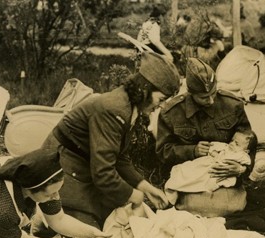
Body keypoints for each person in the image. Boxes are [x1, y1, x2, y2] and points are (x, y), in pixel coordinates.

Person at [42, 51, 181, 228]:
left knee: (115, 221)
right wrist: (135, 195)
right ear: (145, 89)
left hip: (85, 163)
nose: (160, 106)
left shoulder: (131, 106)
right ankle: (42, 219)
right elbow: (103, 174)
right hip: (61, 164)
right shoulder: (115, 109)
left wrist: (145, 187)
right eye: (161, 99)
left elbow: (119, 157)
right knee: (86, 232)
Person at [156, 57, 253, 216]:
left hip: (225, 175)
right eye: (203, 97)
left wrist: (241, 168)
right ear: (191, 93)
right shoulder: (171, 113)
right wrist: (192, 151)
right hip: (191, 178)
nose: (211, 100)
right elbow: (163, 151)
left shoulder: (232, 105)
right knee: (198, 206)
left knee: (230, 205)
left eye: (213, 93)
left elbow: (248, 139)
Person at [164, 127, 258, 204]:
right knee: (188, 169)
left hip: (218, 173)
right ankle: (174, 186)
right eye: (232, 140)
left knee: (198, 179)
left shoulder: (241, 155)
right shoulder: (227, 147)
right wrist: (207, 150)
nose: (232, 144)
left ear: (246, 151)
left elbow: (246, 160)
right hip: (206, 164)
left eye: (236, 144)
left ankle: (175, 189)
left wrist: (243, 169)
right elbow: (213, 146)